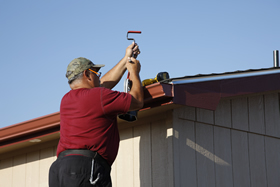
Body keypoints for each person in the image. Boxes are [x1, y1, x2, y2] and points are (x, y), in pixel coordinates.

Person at [49, 42, 144, 187]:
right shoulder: (98, 96)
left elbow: (101, 86)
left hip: (59, 170)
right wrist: (135, 71)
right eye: (96, 74)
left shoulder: (66, 99)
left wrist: (126, 60)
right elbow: (137, 101)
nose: (100, 78)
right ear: (87, 74)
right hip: (86, 168)